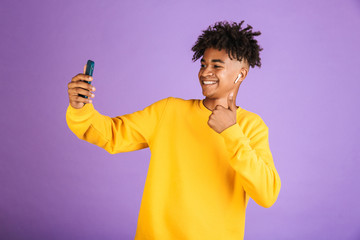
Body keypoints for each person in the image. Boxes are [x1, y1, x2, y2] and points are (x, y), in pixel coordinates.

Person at [66, 20, 281, 240]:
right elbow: (112, 135)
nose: (206, 72)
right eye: (203, 64)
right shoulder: (169, 111)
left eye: (216, 66)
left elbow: (267, 194)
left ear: (241, 75)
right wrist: (80, 108)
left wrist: (231, 132)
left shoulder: (251, 126)